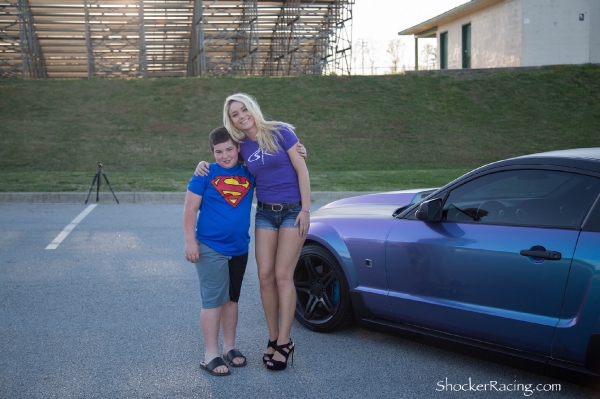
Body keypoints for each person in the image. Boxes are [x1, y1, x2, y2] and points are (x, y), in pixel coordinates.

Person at [195, 93, 310, 371]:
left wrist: (306, 209)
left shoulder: (281, 132)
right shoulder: (241, 145)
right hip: (265, 214)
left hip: (294, 212)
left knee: (283, 275)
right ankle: (272, 338)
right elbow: (226, 161)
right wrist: (203, 166)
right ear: (230, 119)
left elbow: (302, 169)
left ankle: (285, 342)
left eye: (243, 109)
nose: (241, 115)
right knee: (264, 276)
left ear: (252, 108)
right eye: (234, 114)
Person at [183, 126, 255, 376]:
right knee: (213, 301)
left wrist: (299, 150)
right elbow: (190, 209)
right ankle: (211, 354)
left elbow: (275, 164)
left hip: (239, 248)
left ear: (238, 149)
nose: (224, 156)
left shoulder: (248, 172)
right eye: (218, 151)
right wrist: (190, 241)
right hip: (210, 246)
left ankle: (229, 347)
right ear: (212, 152)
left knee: (232, 300)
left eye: (229, 149)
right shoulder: (205, 173)